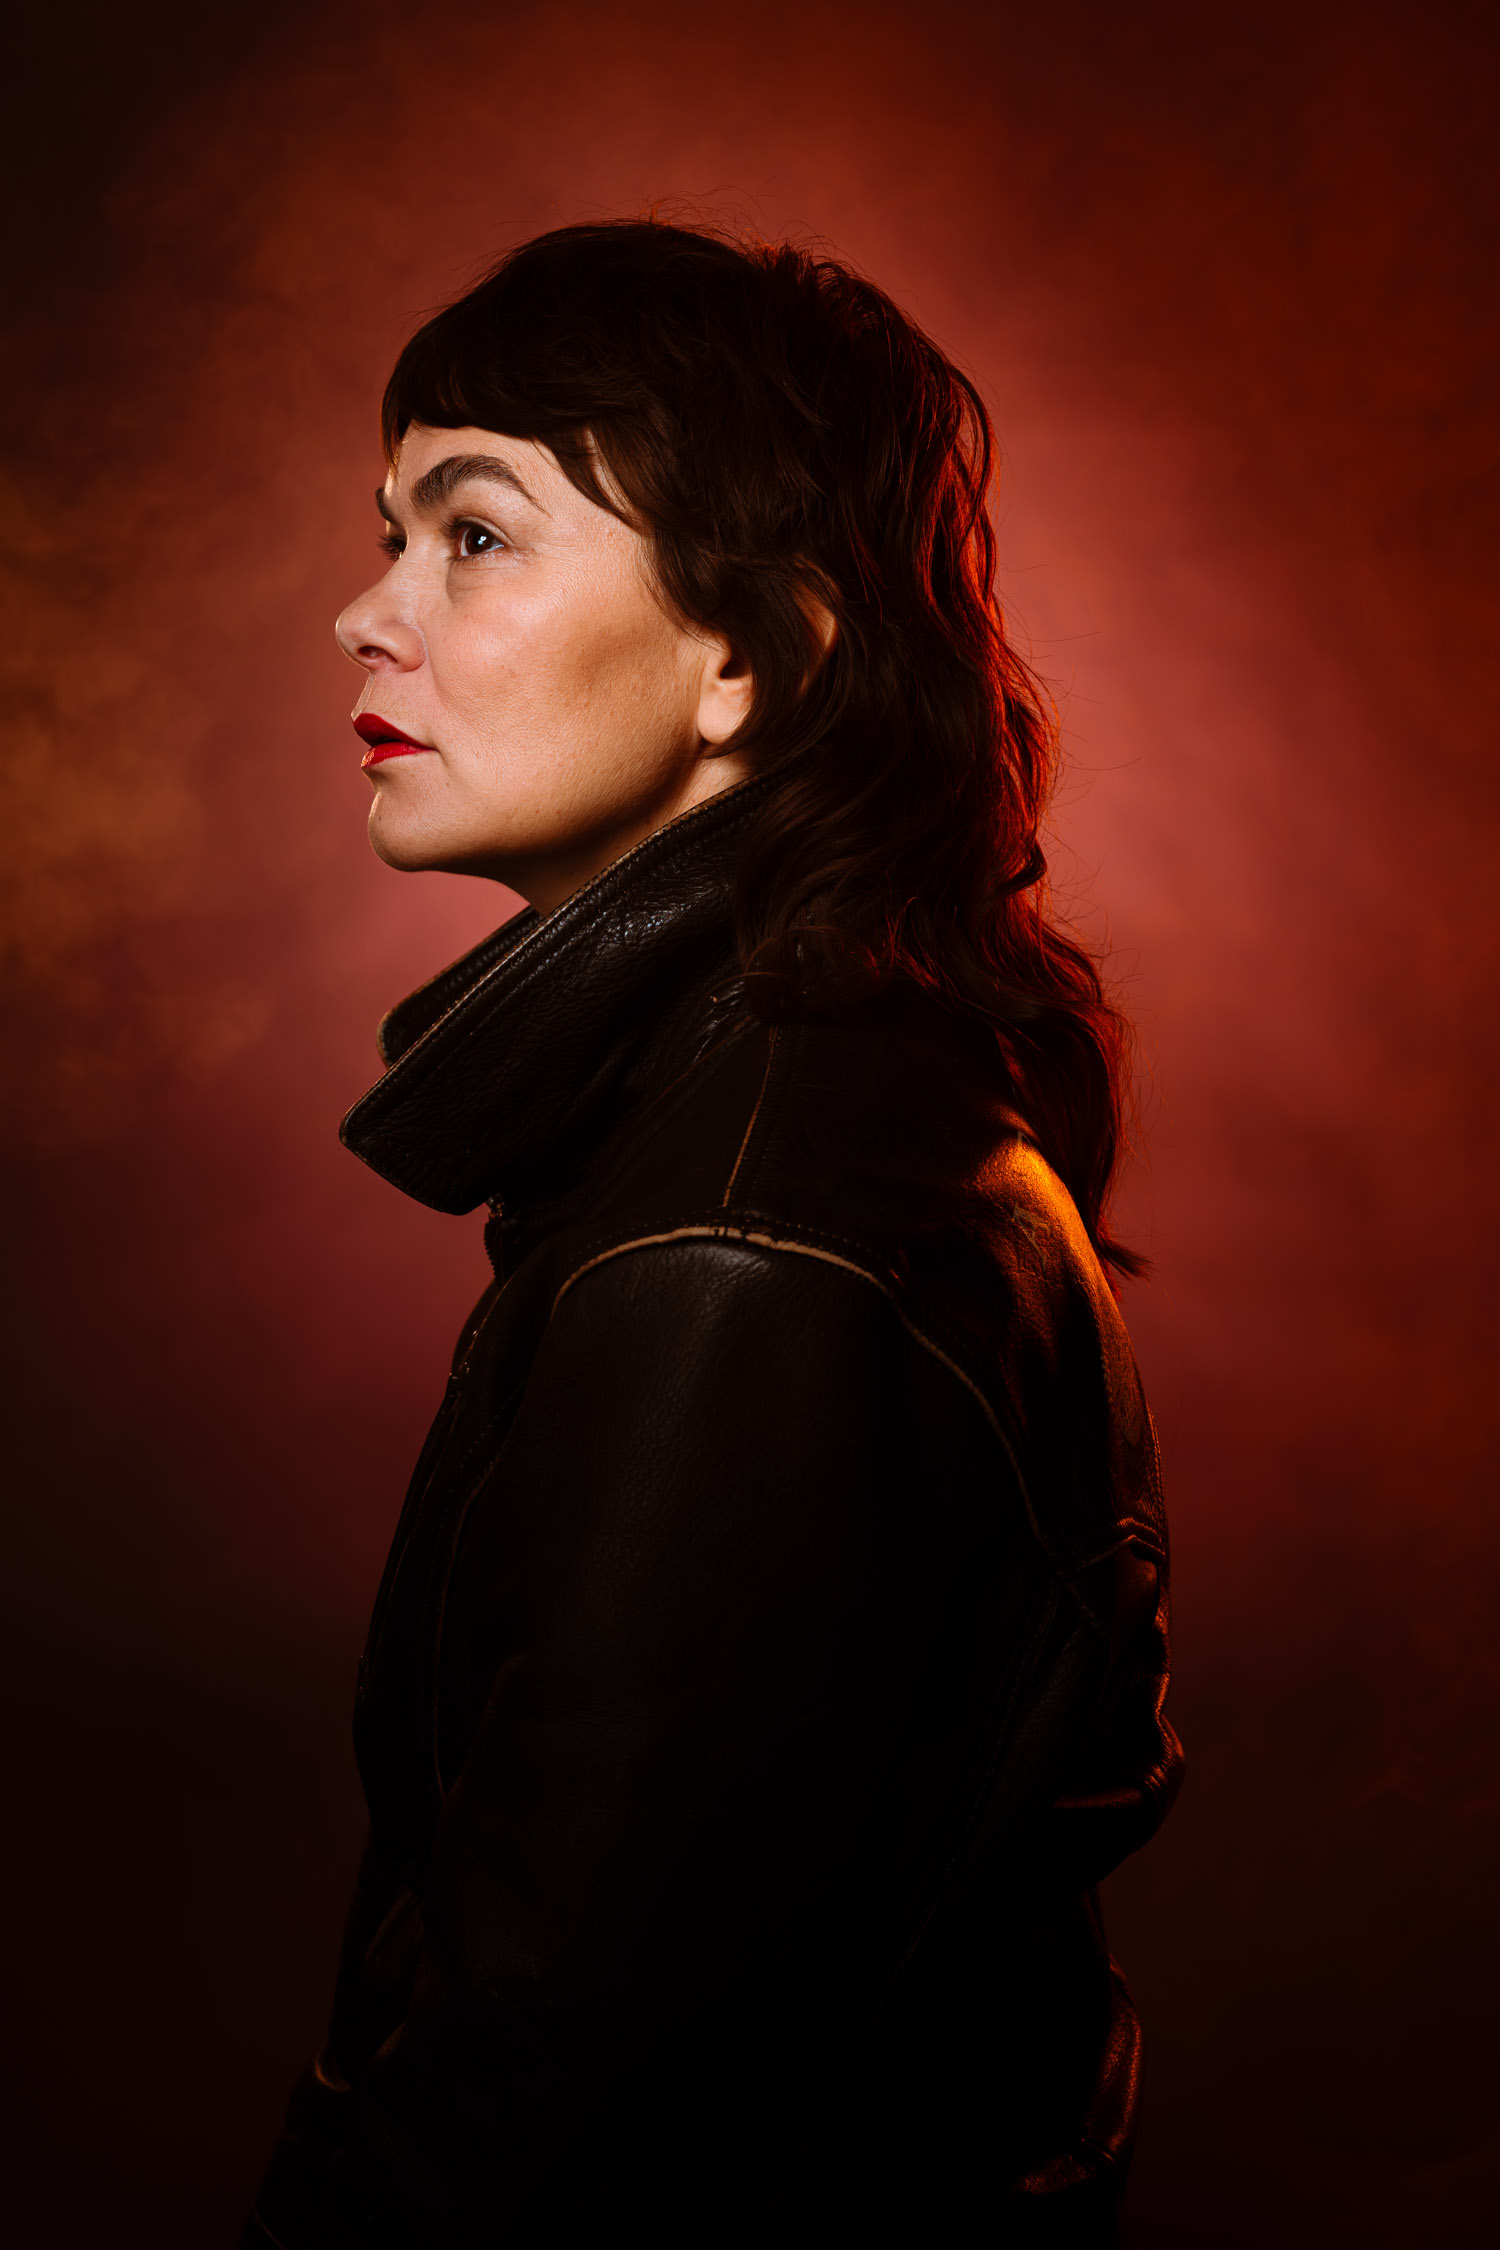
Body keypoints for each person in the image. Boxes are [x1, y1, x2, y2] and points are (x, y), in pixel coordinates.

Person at [242, 219, 1182, 2250]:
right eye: (392, 537)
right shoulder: (804, 1113)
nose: (364, 615)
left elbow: (536, 2127)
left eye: (472, 536)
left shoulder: (747, 1259)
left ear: (758, 652)